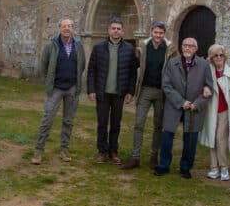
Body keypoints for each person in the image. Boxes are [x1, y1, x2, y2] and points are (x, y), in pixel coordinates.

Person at [154, 37, 213, 178]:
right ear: (181, 47)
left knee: (190, 139)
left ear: (196, 49)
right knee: (167, 137)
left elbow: (209, 88)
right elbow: (166, 86)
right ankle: (164, 165)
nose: (187, 48)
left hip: (193, 108)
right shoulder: (172, 63)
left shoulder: (204, 65)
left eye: (191, 46)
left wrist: (196, 104)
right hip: (174, 105)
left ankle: (185, 167)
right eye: (185, 45)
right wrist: (181, 102)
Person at [122, 21, 177, 170]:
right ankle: (135, 157)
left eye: (161, 33)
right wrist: (130, 90)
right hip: (145, 89)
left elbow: (174, 71)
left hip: (161, 92)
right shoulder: (142, 47)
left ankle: (154, 156)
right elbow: (134, 68)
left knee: (158, 125)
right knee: (139, 124)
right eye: (156, 32)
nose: (158, 35)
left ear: (164, 34)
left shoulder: (170, 49)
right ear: (151, 32)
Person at [31, 18, 86, 165]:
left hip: (72, 88)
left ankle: (64, 150)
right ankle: (38, 151)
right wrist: (49, 82)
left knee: (68, 121)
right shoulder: (51, 45)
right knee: (47, 119)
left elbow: (82, 65)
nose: (67, 28)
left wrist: (75, 83)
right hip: (55, 88)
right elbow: (44, 66)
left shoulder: (78, 46)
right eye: (64, 26)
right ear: (59, 28)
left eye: (70, 26)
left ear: (73, 28)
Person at [87, 17, 139, 165]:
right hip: (102, 93)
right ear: (108, 30)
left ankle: (113, 152)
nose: (116, 31)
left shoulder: (129, 49)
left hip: (119, 93)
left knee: (116, 124)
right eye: (113, 28)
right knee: (102, 123)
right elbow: (92, 71)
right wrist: (91, 89)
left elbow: (132, 73)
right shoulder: (99, 48)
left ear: (122, 31)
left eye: (118, 29)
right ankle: (102, 152)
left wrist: (130, 91)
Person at [199, 44, 230, 181]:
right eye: (215, 55)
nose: (218, 58)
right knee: (212, 138)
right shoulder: (207, 71)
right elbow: (201, 85)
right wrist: (205, 86)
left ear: (225, 56)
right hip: (211, 110)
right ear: (211, 57)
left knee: (220, 139)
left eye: (221, 55)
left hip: (225, 111)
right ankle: (214, 168)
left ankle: (224, 167)